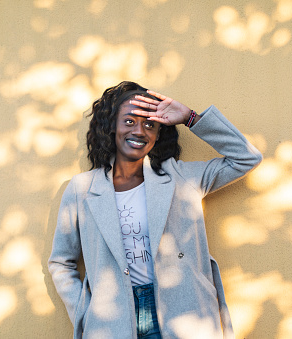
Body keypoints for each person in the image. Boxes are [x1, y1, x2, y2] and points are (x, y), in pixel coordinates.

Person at [48, 81, 262, 339]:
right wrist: (86, 312)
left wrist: (190, 118)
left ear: (159, 133)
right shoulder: (81, 189)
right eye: (129, 121)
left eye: (149, 124)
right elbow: (61, 261)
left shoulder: (181, 177)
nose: (139, 131)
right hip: (114, 322)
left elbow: (246, 158)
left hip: (184, 313)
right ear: (111, 126)